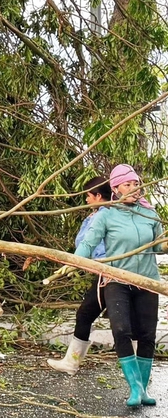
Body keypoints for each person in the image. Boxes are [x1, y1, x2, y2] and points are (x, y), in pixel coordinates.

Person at [73, 164, 161, 407]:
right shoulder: (106, 215)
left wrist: (165, 244)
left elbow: (157, 247)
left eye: (136, 184)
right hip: (117, 280)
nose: (133, 188)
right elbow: (88, 244)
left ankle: (142, 390)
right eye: (127, 184)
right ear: (115, 188)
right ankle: (134, 388)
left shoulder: (149, 214)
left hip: (147, 280)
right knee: (121, 330)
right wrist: (70, 262)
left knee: (147, 335)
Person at [47, 176, 112, 374]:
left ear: (98, 196)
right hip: (104, 271)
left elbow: (91, 244)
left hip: (107, 272)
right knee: (119, 320)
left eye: (88, 195)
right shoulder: (101, 214)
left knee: (87, 315)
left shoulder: (103, 216)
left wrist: (73, 263)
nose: (86, 199)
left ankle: (71, 363)